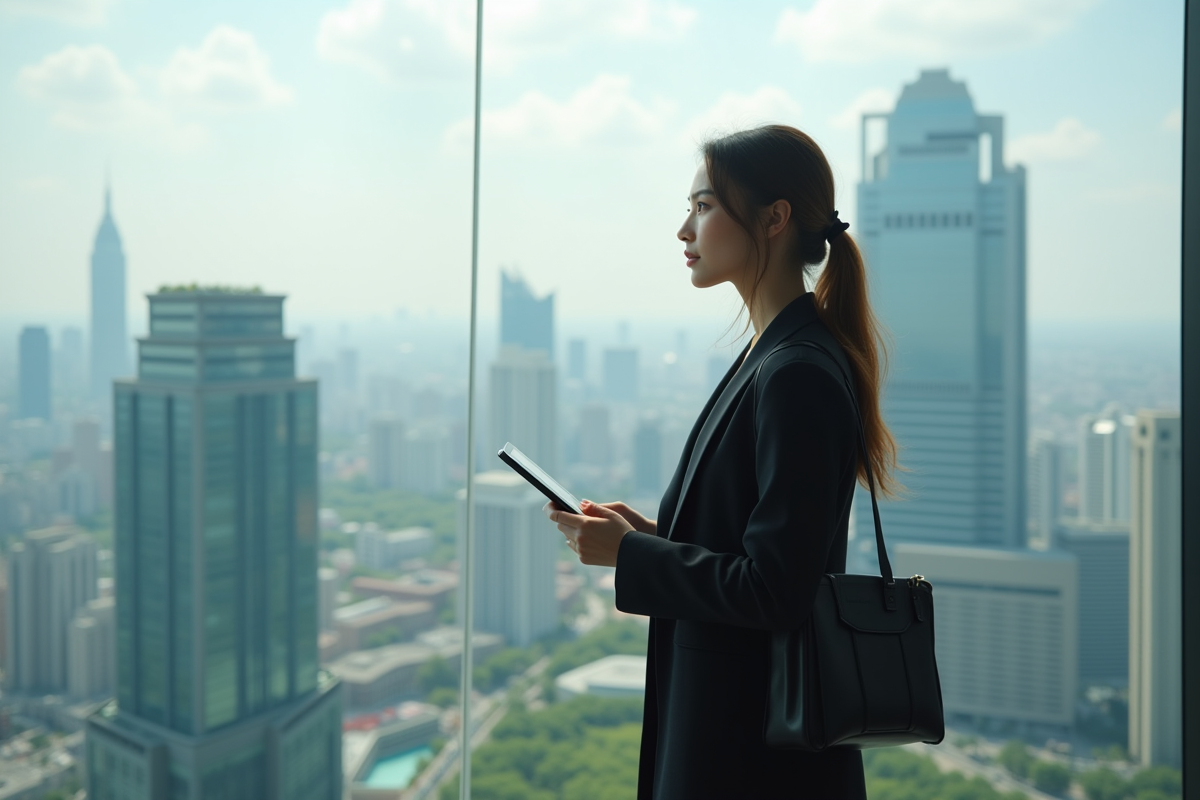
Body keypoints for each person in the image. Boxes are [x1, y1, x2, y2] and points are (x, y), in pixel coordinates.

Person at [544, 124, 899, 800]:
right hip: (741, 738)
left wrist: (634, 557)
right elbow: (752, 545)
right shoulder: (772, 355)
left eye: (703, 207)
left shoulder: (796, 371)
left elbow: (777, 588)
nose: (684, 230)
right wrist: (649, 537)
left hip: (752, 757)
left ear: (774, 220)